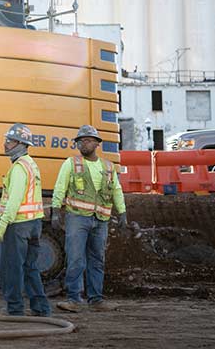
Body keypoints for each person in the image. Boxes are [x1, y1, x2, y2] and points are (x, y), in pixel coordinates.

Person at [51, 125, 126, 313]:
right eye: (80, 141)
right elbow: (60, 187)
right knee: (76, 259)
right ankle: (74, 299)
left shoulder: (108, 167)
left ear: (96, 144)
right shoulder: (71, 163)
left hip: (100, 219)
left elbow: (116, 190)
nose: (83, 144)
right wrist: (55, 210)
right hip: (77, 217)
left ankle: (96, 299)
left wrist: (123, 212)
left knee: (97, 260)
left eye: (87, 140)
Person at [0, 123, 51, 317]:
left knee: (12, 268)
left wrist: (3, 224)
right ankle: (41, 308)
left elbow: (15, 200)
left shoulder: (19, 168)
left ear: (20, 143)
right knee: (30, 267)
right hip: (34, 223)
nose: (5, 144)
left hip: (18, 224)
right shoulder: (31, 164)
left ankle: (15, 308)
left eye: (9, 141)